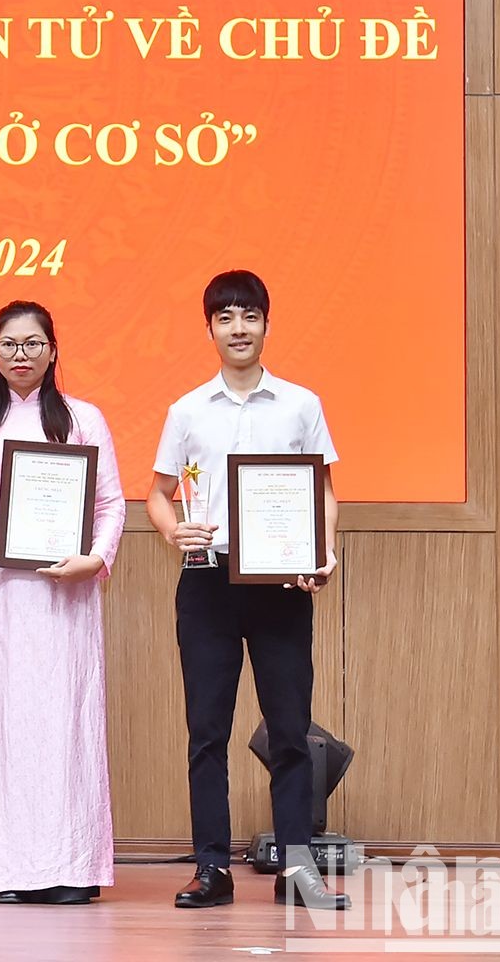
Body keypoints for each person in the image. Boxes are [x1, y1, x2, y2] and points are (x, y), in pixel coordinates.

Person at [143, 270, 346, 911]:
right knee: (207, 731)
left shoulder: (300, 404)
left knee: (289, 730)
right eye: (226, 318)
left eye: (250, 316)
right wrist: (175, 530)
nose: (239, 329)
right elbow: (157, 494)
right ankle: (211, 870)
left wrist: (324, 553)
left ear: (266, 323)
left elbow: (325, 491)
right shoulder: (186, 410)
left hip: (281, 584)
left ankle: (298, 872)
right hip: (206, 582)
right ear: (210, 328)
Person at [0, 301, 124, 905]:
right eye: (8, 344)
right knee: (3, 725)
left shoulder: (82, 419)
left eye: (32, 343)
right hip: (1, 596)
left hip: (65, 597)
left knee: (65, 721)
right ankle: (4, 871)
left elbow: (110, 505)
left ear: (52, 350)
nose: (20, 355)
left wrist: (95, 559)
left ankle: (71, 867)